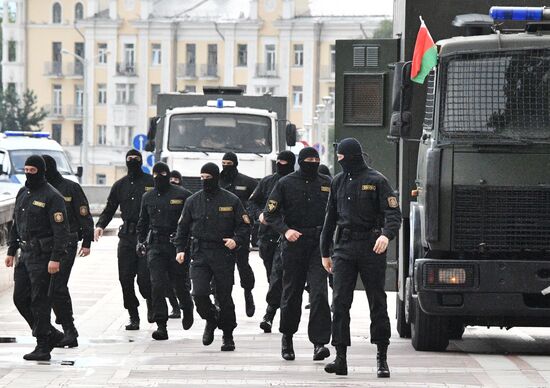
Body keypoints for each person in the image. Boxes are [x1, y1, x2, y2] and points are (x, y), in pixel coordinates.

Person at [320, 138, 402, 377]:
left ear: (352, 156)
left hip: (371, 247)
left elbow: (393, 214)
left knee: (377, 301)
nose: (340, 161)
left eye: (342, 157)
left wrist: (387, 235)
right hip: (344, 247)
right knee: (340, 303)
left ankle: (382, 358)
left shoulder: (377, 181)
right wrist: (325, 253)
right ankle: (341, 357)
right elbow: (329, 220)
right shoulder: (338, 182)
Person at [174, 163, 250, 352]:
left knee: (223, 296)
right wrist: (180, 249)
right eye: (202, 177)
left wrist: (236, 240)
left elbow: (245, 225)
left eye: (208, 177)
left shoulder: (231, 200)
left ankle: (227, 335)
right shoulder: (193, 201)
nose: (204, 181)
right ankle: (210, 318)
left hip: (223, 253)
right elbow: (182, 228)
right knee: (199, 293)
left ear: (216, 177)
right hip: (199, 253)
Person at [264, 147, 331, 362]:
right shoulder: (285, 183)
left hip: (319, 245)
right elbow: (270, 214)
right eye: (308, 159)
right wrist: (285, 230)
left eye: (316, 159)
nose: (312, 162)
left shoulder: (327, 183)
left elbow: (337, 213)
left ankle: (319, 343)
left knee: (319, 293)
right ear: (300, 161)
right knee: (291, 294)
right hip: (294, 244)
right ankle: (287, 337)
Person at [5, 155, 70, 361]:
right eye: (26, 170)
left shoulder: (53, 196)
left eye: (32, 171)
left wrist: (56, 258)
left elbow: (61, 231)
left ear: (41, 172)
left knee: (40, 301)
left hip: (43, 256)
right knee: (19, 298)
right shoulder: (23, 193)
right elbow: (16, 223)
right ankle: (50, 333)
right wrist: (10, 249)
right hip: (24, 255)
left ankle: (43, 345)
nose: (28, 174)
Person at [94, 149, 153, 330]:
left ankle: (151, 302)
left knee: (144, 278)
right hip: (126, 237)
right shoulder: (120, 185)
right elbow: (110, 208)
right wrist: (100, 226)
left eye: (136, 159)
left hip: (146, 237)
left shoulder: (151, 182)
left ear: (141, 161)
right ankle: (133, 315)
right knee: (125, 278)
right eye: (129, 159)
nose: (133, 161)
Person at [136, 162, 194, 340]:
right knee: (157, 284)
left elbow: (192, 220)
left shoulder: (183, 195)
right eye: (155, 173)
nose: (157, 177)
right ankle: (161, 325)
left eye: (161, 173)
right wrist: (140, 242)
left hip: (177, 246)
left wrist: (187, 243)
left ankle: (187, 307)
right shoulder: (148, 196)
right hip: (156, 246)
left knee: (179, 283)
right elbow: (143, 222)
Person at [42, 155, 94, 348]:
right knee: (44, 289)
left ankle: (69, 329)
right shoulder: (36, 189)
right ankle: (50, 329)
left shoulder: (70, 187)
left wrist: (87, 241)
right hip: (43, 245)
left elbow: (84, 214)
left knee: (57, 286)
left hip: (67, 243)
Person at [248, 150, 296, 333]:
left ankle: (270, 314)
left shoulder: (296, 182)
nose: (281, 164)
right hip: (267, 235)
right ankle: (276, 307)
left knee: (278, 276)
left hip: (286, 235)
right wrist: (260, 215)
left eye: (285, 162)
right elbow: (252, 203)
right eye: (279, 161)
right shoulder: (267, 182)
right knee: (272, 276)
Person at [219, 152, 258, 317]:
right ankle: (218, 298)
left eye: (229, 163)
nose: (226, 166)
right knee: (219, 266)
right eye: (224, 163)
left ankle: (248, 293)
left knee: (242, 264)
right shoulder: (218, 181)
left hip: (240, 230)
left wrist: (249, 219)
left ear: (235, 164)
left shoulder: (247, 182)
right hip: (220, 230)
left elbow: (255, 202)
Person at [167, 169, 184, 319]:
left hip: (181, 241)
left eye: (176, 179)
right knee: (166, 278)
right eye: (170, 179)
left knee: (181, 277)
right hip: (163, 242)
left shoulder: (186, 197)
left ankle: (185, 303)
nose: (173, 182)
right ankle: (175, 306)